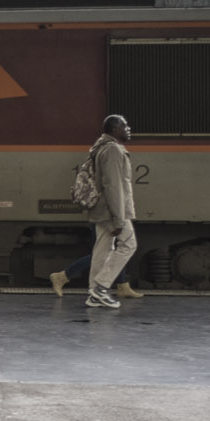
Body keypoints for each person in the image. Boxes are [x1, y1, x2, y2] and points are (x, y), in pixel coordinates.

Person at [83, 115, 137, 309]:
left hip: (102, 209)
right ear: (114, 130)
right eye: (124, 125)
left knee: (102, 250)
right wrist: (118, 218)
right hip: (112, 210)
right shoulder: (113, 149)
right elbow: (112, 186)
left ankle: (94, 294)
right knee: (129, 245)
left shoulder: (100, 147)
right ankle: (101, 287)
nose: (128, 128)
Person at [50, 254, 143, 299]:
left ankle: (123, 286)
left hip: (107, 220)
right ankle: (62, 276)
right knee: (102, 254)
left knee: (116, 252)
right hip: (105, 220)